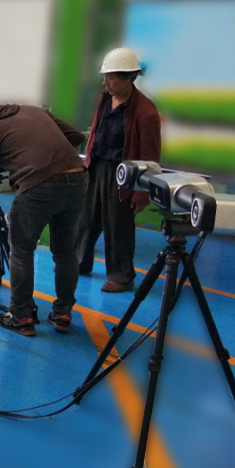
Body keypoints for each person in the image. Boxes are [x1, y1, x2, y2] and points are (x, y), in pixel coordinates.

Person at [0, 95, 87, 336]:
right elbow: (76, 136)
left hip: (39, 186)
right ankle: (63, 313)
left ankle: (21, 316)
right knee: (66, 253)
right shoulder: (32, 110)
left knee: (22, 251)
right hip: (77, 180)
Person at [77, 46, 161, 293]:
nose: (105, 82)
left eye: (110, 78)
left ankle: (122, 276)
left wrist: (141, 192)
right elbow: (96, 131)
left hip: (123, 175)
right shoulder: (104, 99)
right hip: (98, 167)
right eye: (105, 77)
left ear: (128, 78)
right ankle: (79, 261)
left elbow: (150, 156)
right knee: (86, 218)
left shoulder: (145, 112)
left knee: (118, 226)